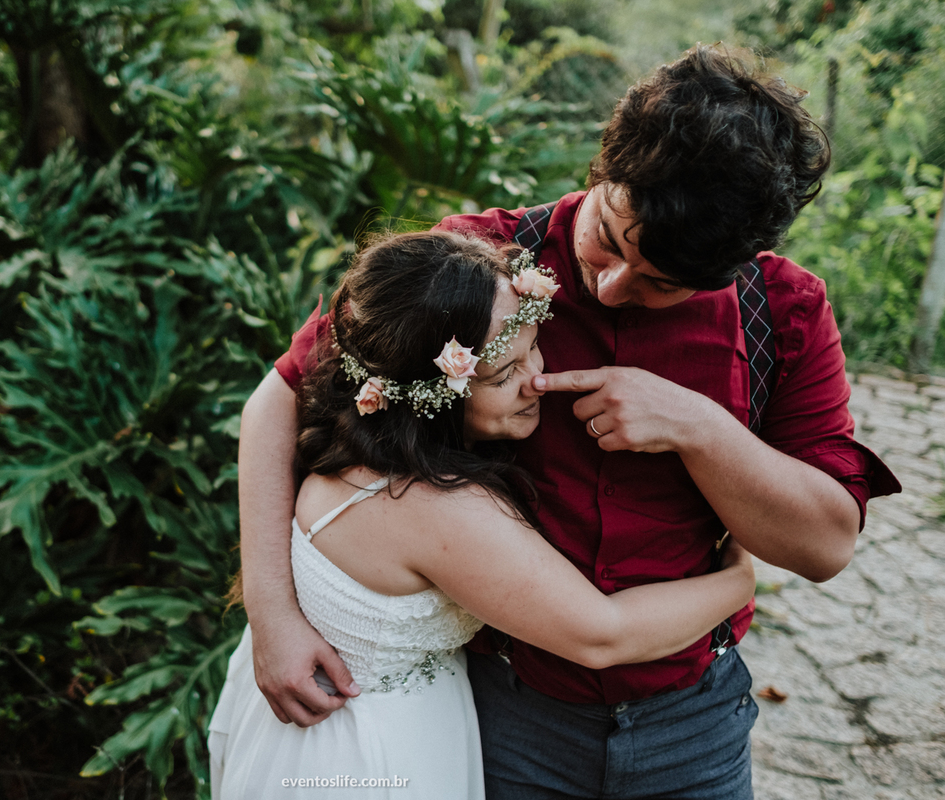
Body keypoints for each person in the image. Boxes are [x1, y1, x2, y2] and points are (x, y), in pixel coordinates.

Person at [237, 44, 901, 799]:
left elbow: (823, 547)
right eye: (610, 241)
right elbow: (282, 394)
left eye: (662, 285)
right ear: (603, 165)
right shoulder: (475, 266)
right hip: (497, 715)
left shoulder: (783, 313)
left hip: (693, 724)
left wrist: (701, 428)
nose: (613, 288)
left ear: (740, 262)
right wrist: (272, 614)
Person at [209, 230, 756, 799]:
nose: (537, 381)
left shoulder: (355, 447)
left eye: (535, 347)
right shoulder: (429, 505)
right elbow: (603, 634)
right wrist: (738, 577)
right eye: (503, 375)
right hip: (370, 760)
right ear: (432, 395)